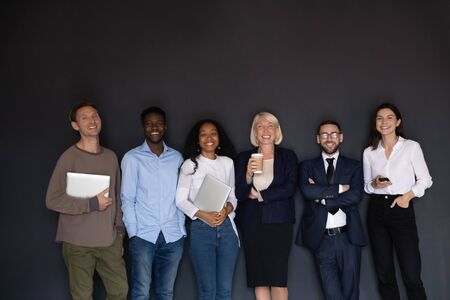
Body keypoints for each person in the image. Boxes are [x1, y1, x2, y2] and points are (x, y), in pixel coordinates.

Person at [46, 101, 128, 300]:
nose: (92, 121)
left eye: (95, 116)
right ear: (76, 125)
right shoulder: (68, 157)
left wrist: (119, 231)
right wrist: (91, 203)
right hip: (77, 243)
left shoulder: (111, 157)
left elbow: (117, 195)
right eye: (85, 117)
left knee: (120, 291)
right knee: (82, 296)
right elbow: (52, 200)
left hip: (108, 241)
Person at [363, 103, 432, 300]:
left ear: (398, 122)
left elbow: (426, 180)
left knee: (411, 273)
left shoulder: (411, 147)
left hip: (401, 208)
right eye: (380, 118)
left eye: (389, 117)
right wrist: (375, 184)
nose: (384, 122)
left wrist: (408, 197)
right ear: (375, 123)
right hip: (376, 209)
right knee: (384, 273)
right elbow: (366, 186)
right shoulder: (370, 152)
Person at [296, 120, 367, 300]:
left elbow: (356, 196)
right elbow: (307, 191)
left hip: (349, 238)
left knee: (352, 294)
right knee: (332, 295)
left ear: (341, 137)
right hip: (322, 240)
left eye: (333, 134)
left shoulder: (354, 166)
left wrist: (323, 199)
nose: (329, 138)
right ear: (318, 139)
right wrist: (341, 188)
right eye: (324, 135)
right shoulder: (307, 166)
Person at [121, 107, 185, 300]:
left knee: (166, 293)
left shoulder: (177, 158)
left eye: (158, 123)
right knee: (140, 291)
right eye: (149, 124)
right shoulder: (132, 158)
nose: (154, 127)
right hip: (143, 236)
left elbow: (181, 196)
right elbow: (127, 198)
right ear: (144, 127)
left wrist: (181, 228)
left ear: (165, 127)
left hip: (172, 236)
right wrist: (133, 233)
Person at [235, 112, 297, 300]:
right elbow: (238, 193)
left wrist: (260, 195)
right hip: (252, 224)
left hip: (279, 223)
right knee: (259, 278)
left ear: (277, 130)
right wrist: (247, 175)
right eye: (260, 126)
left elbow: (289, 188)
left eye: (270, 126)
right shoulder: (244, 157)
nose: (265, 130)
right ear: (254, 131)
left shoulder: (287, 156)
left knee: (278, 278)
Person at [175, 119, 239, 300]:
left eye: (213, 133)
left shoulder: (228, 163)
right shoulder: (190, 164)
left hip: (227, 229)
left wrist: (227, 210)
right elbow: (180, 200)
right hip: (201, 230)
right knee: (207, 291)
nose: (209, 138)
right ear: (197, 140)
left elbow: (233, 196)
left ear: (219, 137)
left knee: (225, 291)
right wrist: (204, 215)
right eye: (203, 134)